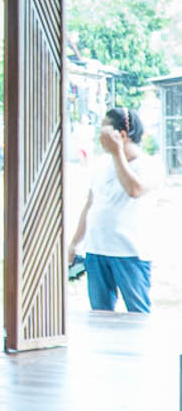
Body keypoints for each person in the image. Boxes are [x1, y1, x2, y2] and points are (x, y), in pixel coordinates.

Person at [68, 105, 161, 314]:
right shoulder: (101, 164)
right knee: (100, 316)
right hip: (96, 249)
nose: (100, 137)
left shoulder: (150, 165)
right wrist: (75, 243)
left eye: (104, 131)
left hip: (131, 252)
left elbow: (134, 189)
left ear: (122, 134)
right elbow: (90, 205)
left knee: (138, 314)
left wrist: (118, 152)